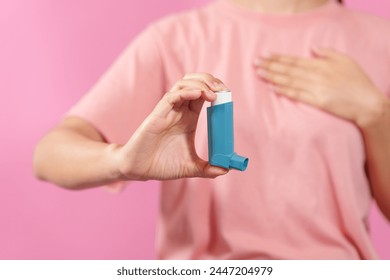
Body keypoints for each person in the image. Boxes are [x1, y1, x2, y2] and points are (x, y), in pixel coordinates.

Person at [33, 0, 390, 259]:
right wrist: (122, 160)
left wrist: (376, 113)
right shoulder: (175, 38)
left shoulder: (380, 40)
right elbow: (49, 155)